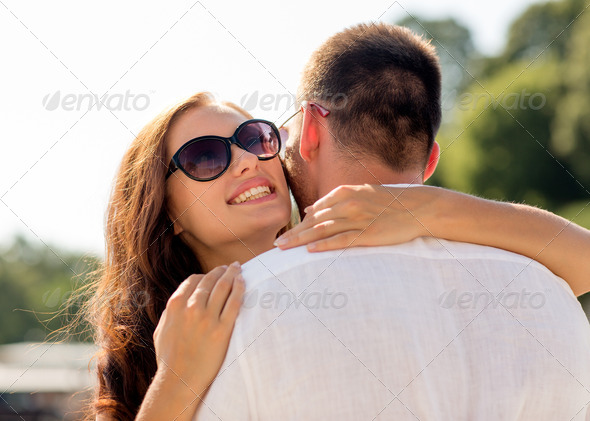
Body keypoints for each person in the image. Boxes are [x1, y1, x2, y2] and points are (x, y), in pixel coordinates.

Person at [88, 29, 590, 421]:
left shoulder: (292, 299)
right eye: (204, 156)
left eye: (256, 138)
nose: (245, 160)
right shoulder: (170, 349)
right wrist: (176, 380)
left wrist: (420, 208)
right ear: (164, 210)